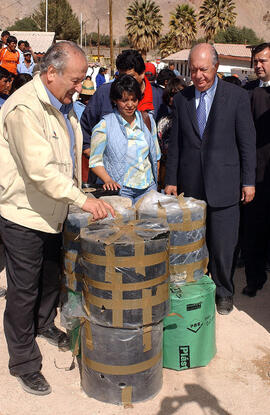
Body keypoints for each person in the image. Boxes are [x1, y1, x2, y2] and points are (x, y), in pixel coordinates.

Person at [0, 40, 114, 396]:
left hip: (55, 211)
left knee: (52, 279)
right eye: (76, 80)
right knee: (23, 290)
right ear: (51, 73)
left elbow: (67, 156)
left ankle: (43, 323)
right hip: (24, 214)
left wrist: (77, 198)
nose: (80, 87)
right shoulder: (24, 109)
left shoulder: (64, 105)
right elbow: (40, 171)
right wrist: (83, 199)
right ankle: (23, 362)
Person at [165, 43, 256, 315]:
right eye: (193, 70)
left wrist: (248, 180)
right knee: (192, 242)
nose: (198, 75)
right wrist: (171, 179)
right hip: (191, 186)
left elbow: (247, 143)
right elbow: (177, 144)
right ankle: (195, 290)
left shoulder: (237, 97)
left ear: (215, 67)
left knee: (224, 244)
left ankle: (224, 291)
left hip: (226, 184)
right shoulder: (182, 99)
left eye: (203, 69)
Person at [89, 74, 160, 203]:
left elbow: (156, 156)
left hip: (148, 188)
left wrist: (155, 182)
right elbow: (95, 161)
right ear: (115, 100)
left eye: (134, 100)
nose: (130, 105)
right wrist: (108, 180)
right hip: (122, 190)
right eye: (124, 100)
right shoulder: (105, 125)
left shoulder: (148, 121)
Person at [81, 49, 155, 161]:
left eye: (130, 77)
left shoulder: (158, 97)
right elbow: (85, 127)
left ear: (142, 73)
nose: (125, 81)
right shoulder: (103, 94)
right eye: (121, 76)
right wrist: (92, 154)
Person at [241, 43, 270, 297]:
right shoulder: (247, 91)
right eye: (256, 61)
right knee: (253, 230)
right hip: (255, 175)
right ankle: (254, 277)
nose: (258, 65)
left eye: (264, 61)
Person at [157, 77, 187, 189]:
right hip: (168, 176)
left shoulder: (194, 120)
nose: (174, 99)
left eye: (178, 94)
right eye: (171, 95)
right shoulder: (163, 122)